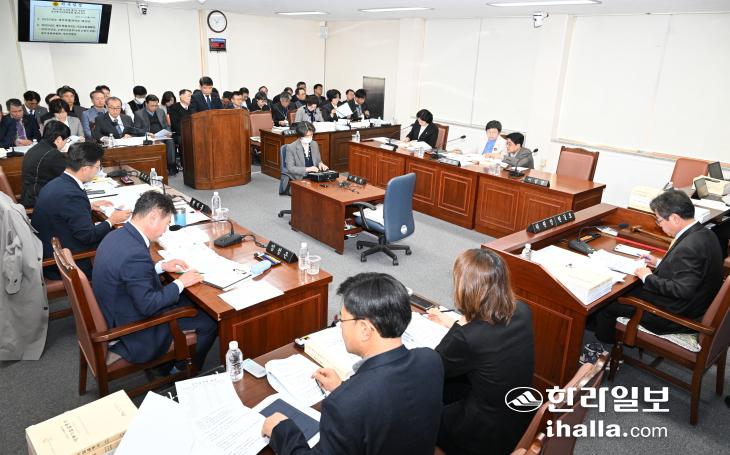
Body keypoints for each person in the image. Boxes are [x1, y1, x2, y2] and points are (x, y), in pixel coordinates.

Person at [262, 272, 443, 455]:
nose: (340, 325)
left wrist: (282, 432)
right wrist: (344, 389)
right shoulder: (431, 359)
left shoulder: (343, 405)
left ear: (364, 329)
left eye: (342, 319)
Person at [92, 191, 217, 371]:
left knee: (190, 301)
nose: (165, 230)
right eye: (166, 223)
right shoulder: (134, 254)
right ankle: (182, 371)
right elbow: (148, 305)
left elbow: (128, 274)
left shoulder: (118, 235)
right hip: (135, 328)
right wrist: (181, 283)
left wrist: (161, 267)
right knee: (209, 322)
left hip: (118, 308)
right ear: (153, 217)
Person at [427, 249, 535, 455]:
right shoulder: (523, 310)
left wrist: (460, 325)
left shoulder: (468, 337)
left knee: (421, 408)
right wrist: (458, 323)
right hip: (518, 415)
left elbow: (435, 366)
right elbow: (489, 337)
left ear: (466, 288)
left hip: (483, 437)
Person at [595, 189, 723, 343]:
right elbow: (692, 271)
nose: (659, 225)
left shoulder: (689, 247)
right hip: (696, 304)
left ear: (675, 218)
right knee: (625, 289)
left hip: (675, 315)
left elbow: (681, 290)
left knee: (607, 303)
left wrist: (647, 277)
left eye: (659, 220)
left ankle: (603, 345)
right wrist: (659, 263)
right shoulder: (705, 233)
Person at [32, 142, 131, 279]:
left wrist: (87, 206)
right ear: (85, 169)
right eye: (98, 167)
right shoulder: (72, 195)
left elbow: (63, 209)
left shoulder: (57, 183)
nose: (98, 171)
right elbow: (88, 236)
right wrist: (112, 220)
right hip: (69, 261)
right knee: (124, 239)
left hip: (51, 248)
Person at [20, 120, 71, 208]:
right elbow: (70, 177)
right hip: (38, 200)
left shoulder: (37, 148)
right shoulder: (53, 154)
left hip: (29, 196)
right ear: (59, 139)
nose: (66, 142)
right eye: (66, 140)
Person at [133, 94, 176, 175]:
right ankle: (162, 168)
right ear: (146, 104)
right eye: (152, 105)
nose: (154, 108)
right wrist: (147, 133)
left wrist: (168, 132)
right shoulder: (138, 114)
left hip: (162, 135)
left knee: (170, 141)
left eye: (156, 105)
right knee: (160, 143)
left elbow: (166, 125)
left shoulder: (160, 111)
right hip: (150, 137)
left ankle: (171, 166)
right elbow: (136, 130)